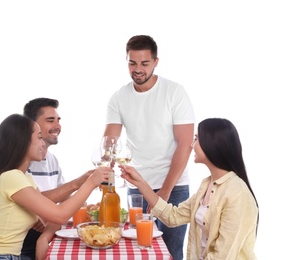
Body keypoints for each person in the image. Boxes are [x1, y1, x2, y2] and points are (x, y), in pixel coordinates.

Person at [103, 35, 195, 259]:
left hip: (174, 188)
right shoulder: (118, 98)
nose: (138, 69)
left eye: (144, 63)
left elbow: (185, 144)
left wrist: (164, 191)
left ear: (156, 62)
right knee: (139, 252)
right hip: (137, 187)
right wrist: (106, 175)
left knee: (171, 253)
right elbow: (109, 144)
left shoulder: (174, 92)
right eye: (132, 63)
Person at [0, 114, 110, 260]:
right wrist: (90, 183)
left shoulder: (25, 178)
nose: (43, 144)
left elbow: (48, 217)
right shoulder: (12, 178)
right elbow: (59, 215)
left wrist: (81, 182)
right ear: (23, 142)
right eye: (39, 137)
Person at [119, 118, 259, 260]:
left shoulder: (237, 194)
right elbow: (172, 216)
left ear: (212, 143)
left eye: (197, 139)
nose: (192, 145)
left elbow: (222, 256)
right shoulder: (207, 186)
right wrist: (140, 183)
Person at [21, 97, 94, 260]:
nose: (58, 126)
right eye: (50, 120)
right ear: (32, 125)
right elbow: (34, 201)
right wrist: (79, 183)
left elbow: (62, 198)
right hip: (22, 245)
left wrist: (86, 207)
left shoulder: (52, 160)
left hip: (49, 235)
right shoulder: (21, 161)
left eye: (58, 120)